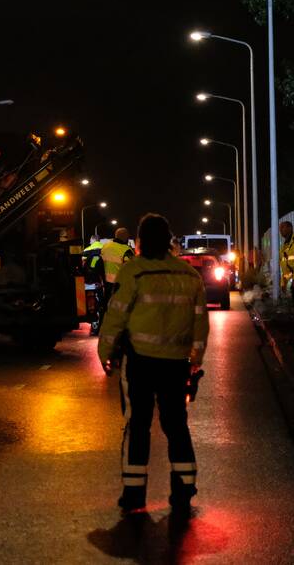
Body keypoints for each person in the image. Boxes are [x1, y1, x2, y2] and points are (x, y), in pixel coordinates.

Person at [98, 213, 208, 513]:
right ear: (170, 240)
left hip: (140, 363)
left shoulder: (134, 272)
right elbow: (201, 321)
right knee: (176, 426)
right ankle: (184, 490)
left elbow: (115, 316)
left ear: (141, 241)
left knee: (138, 426)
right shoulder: (189, 276)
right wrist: (196, 359)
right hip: (176, 364)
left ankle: (134, 495)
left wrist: (105, 352)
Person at [279, 221, 294, 297]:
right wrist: (283, 283)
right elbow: (284, 269)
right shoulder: (283, 247)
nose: (280, 230)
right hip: (289, 285)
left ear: (290, 228)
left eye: (282, 227)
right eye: (280, 228)